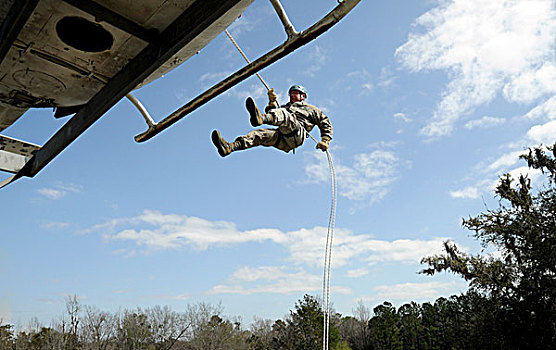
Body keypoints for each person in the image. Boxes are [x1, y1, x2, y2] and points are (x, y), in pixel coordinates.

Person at [211, 85, 333, 157]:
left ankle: (262, 118)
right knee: (259, 135)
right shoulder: (285, 107)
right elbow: (275, 115)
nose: (292, 96)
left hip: (297, 134)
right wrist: (271, 103)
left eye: (296, 93)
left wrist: (325, 140)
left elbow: (325, 122)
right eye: (291, 94)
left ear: (303, 96)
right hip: (282, 138)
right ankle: (230, 147)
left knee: (285, 116)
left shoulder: (310, 109)